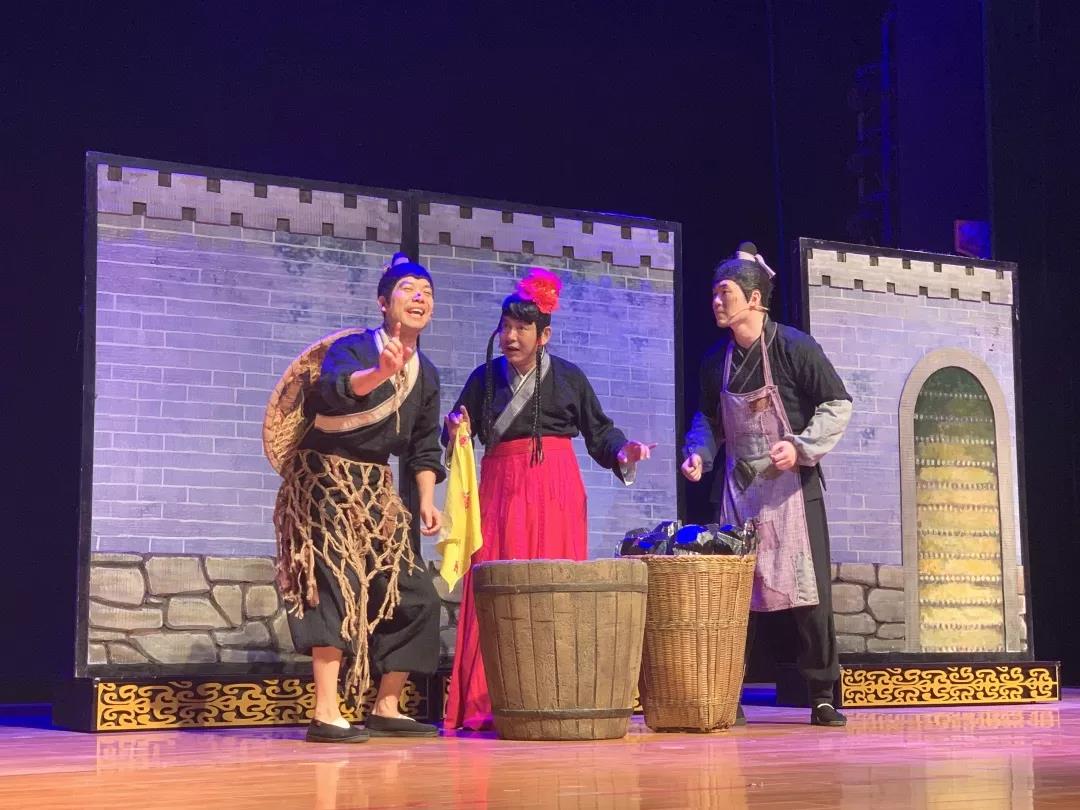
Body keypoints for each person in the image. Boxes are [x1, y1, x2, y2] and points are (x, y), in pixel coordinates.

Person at [441, 268, 655, 731]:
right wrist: (453, 428)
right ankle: (486, 700)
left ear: (544, 335)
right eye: (506, 327)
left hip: (555, 488)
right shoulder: (484, 379)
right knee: (495, 583)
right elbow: (458, 430)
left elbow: (600, 432)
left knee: (554, 586)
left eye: (522, 328)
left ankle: (553, 694)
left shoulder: (569, 378)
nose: (511, 336)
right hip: (500, 487)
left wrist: (624, 451)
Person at [272, 254, 445, 743]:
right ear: (383, 302)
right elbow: (328, 395)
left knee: (415, 592)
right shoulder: (352, 348)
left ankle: (386, 705)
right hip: (324, 480)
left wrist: (427, 500)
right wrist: (379, 372)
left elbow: (424, 446)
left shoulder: (427, 374)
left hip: (375, 489)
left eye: (427, 292)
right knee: (335, 583)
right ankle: (326, 711)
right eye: (408, 289)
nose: (419, 297)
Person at [681, 242, 853, 727]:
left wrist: (800, 446)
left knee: (809, 595)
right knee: (735, 596)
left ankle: (822, 693)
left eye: (726, 293)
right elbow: (708, 419)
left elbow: (837, 404)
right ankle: (726, 693)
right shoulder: (715, 361)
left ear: (754, 299)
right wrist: (699, 453)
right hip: (739, 490)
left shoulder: (794, 348)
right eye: (715, 293)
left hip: (791, 488)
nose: (717, 301)